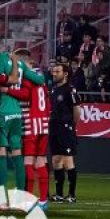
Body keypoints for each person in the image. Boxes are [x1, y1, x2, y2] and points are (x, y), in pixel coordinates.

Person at [0, 35, 44, 194]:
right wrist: (22, 65)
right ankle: (21, 195)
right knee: (17, 152)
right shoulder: (20, 63)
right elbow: (39, 79)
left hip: (3, 110)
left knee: (0, 150)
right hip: (17, 112)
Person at [11, 48, 51, 207]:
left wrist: (7, 90)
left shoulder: (27, 78)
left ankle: (26, 199)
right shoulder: (41, 78)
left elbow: (25, 95)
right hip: (43, 124)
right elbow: (47, 102)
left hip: (31, 124)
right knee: (40, 161)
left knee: (28, 161)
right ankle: (43, 200)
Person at [49, 61, 79, 203]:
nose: (54, 74)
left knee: (67, 160)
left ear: (65, 74)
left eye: (57, 71)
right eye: (53, 71)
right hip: (54, 127)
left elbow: (77, 110)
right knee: (56, 160)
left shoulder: (70, 90)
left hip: (66, 127)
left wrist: (71, 125)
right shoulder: (53, 89)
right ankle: (59, 194)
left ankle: (72, 195)